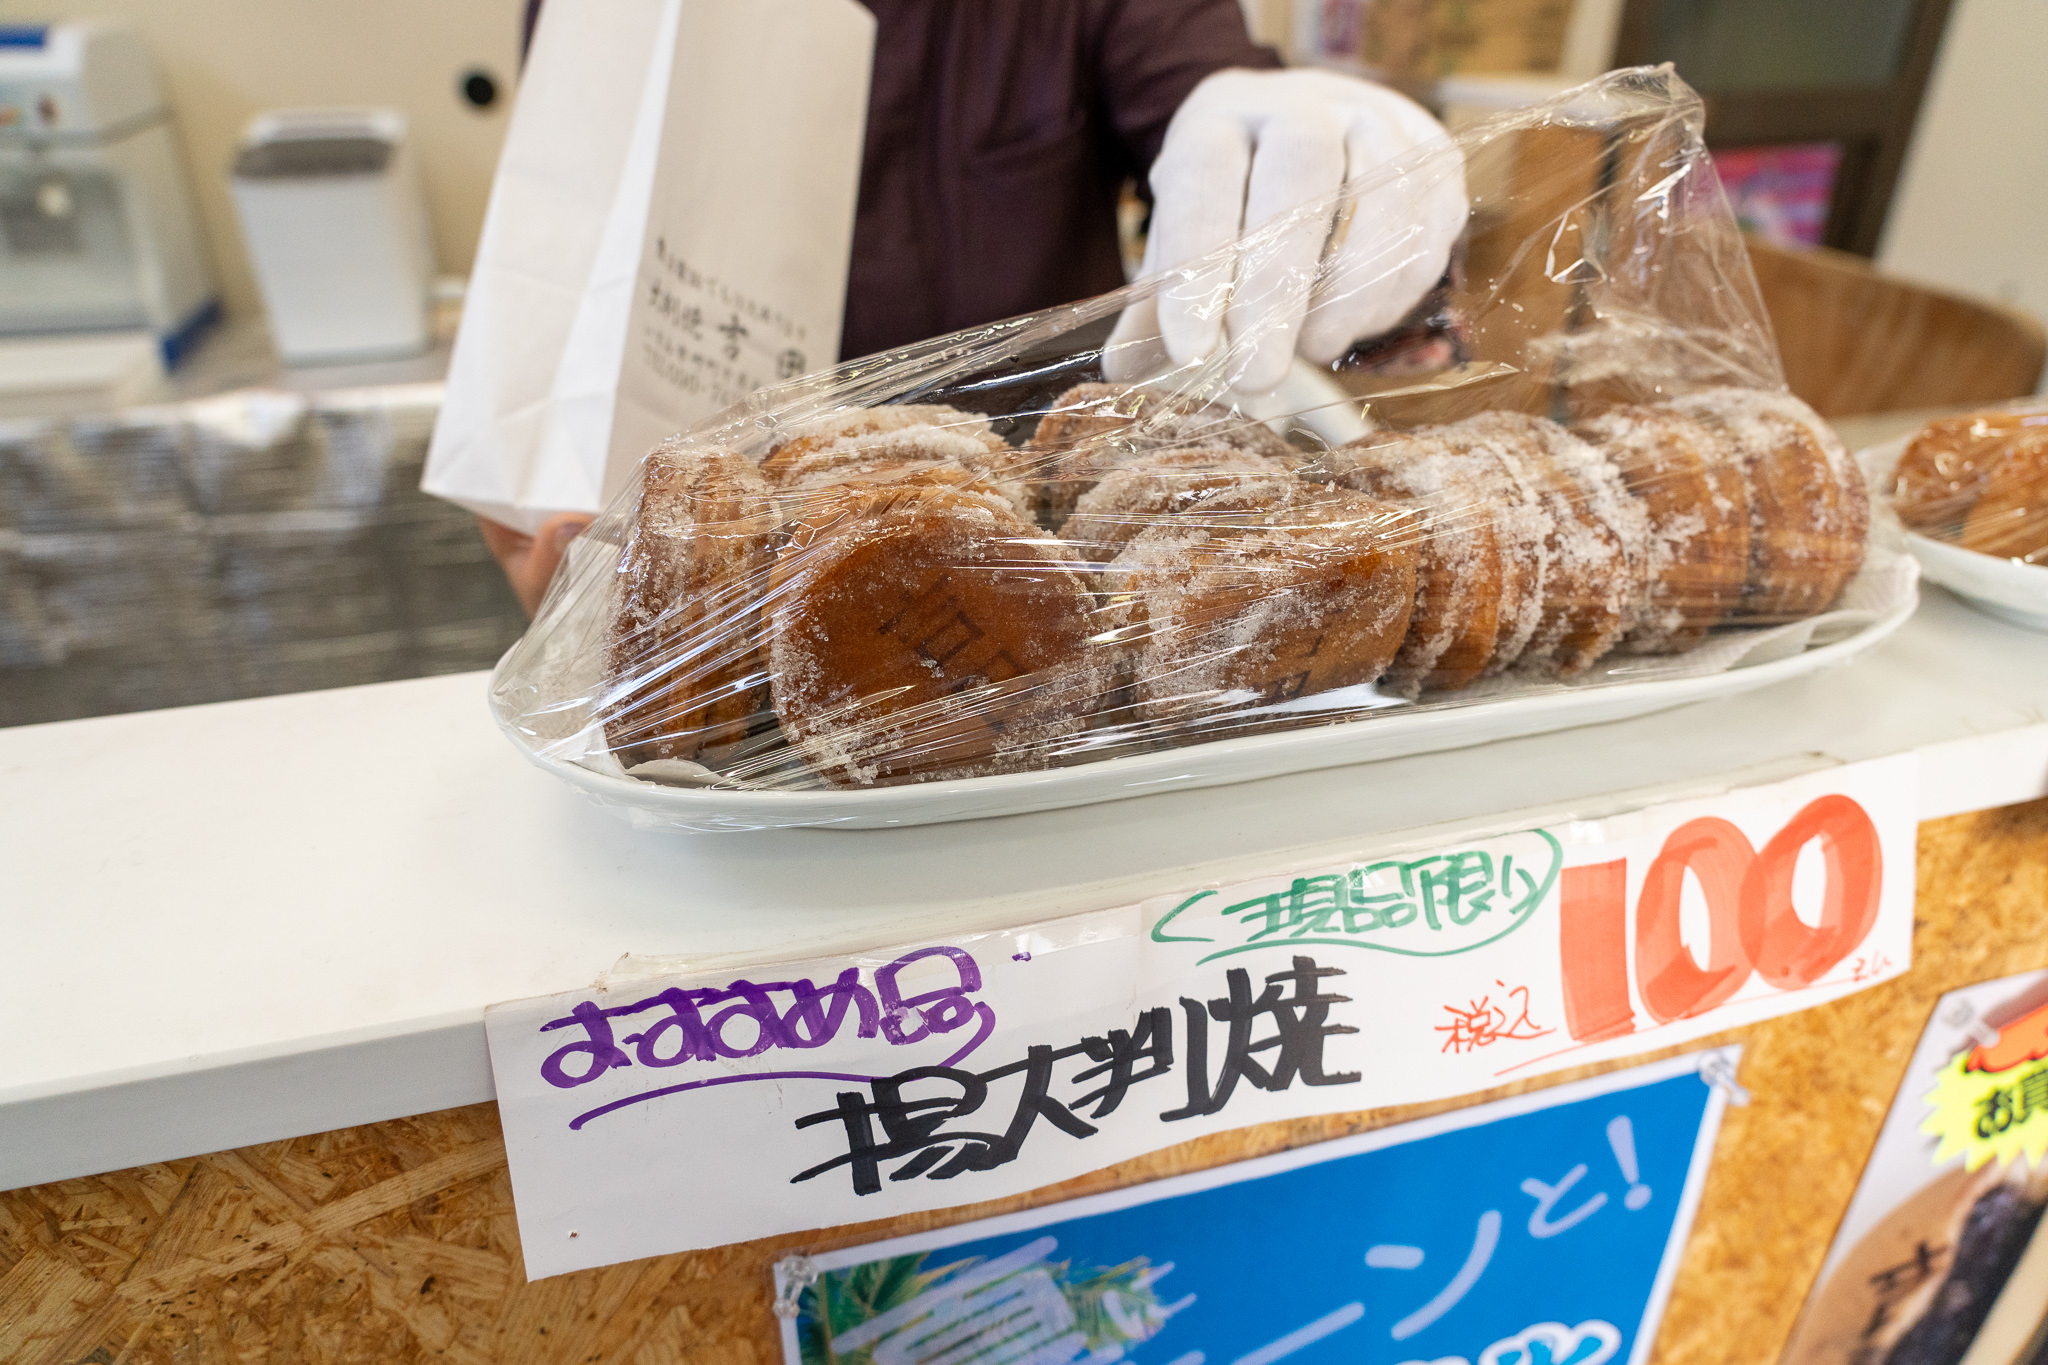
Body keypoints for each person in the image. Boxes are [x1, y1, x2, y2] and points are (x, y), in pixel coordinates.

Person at [483, 0, 1464, 613]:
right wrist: (554, 493)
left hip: (1050, 572)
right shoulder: (625, 18)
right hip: (723, 575)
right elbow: (579, 256)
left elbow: (1207, 94)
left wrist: (1314, 151)